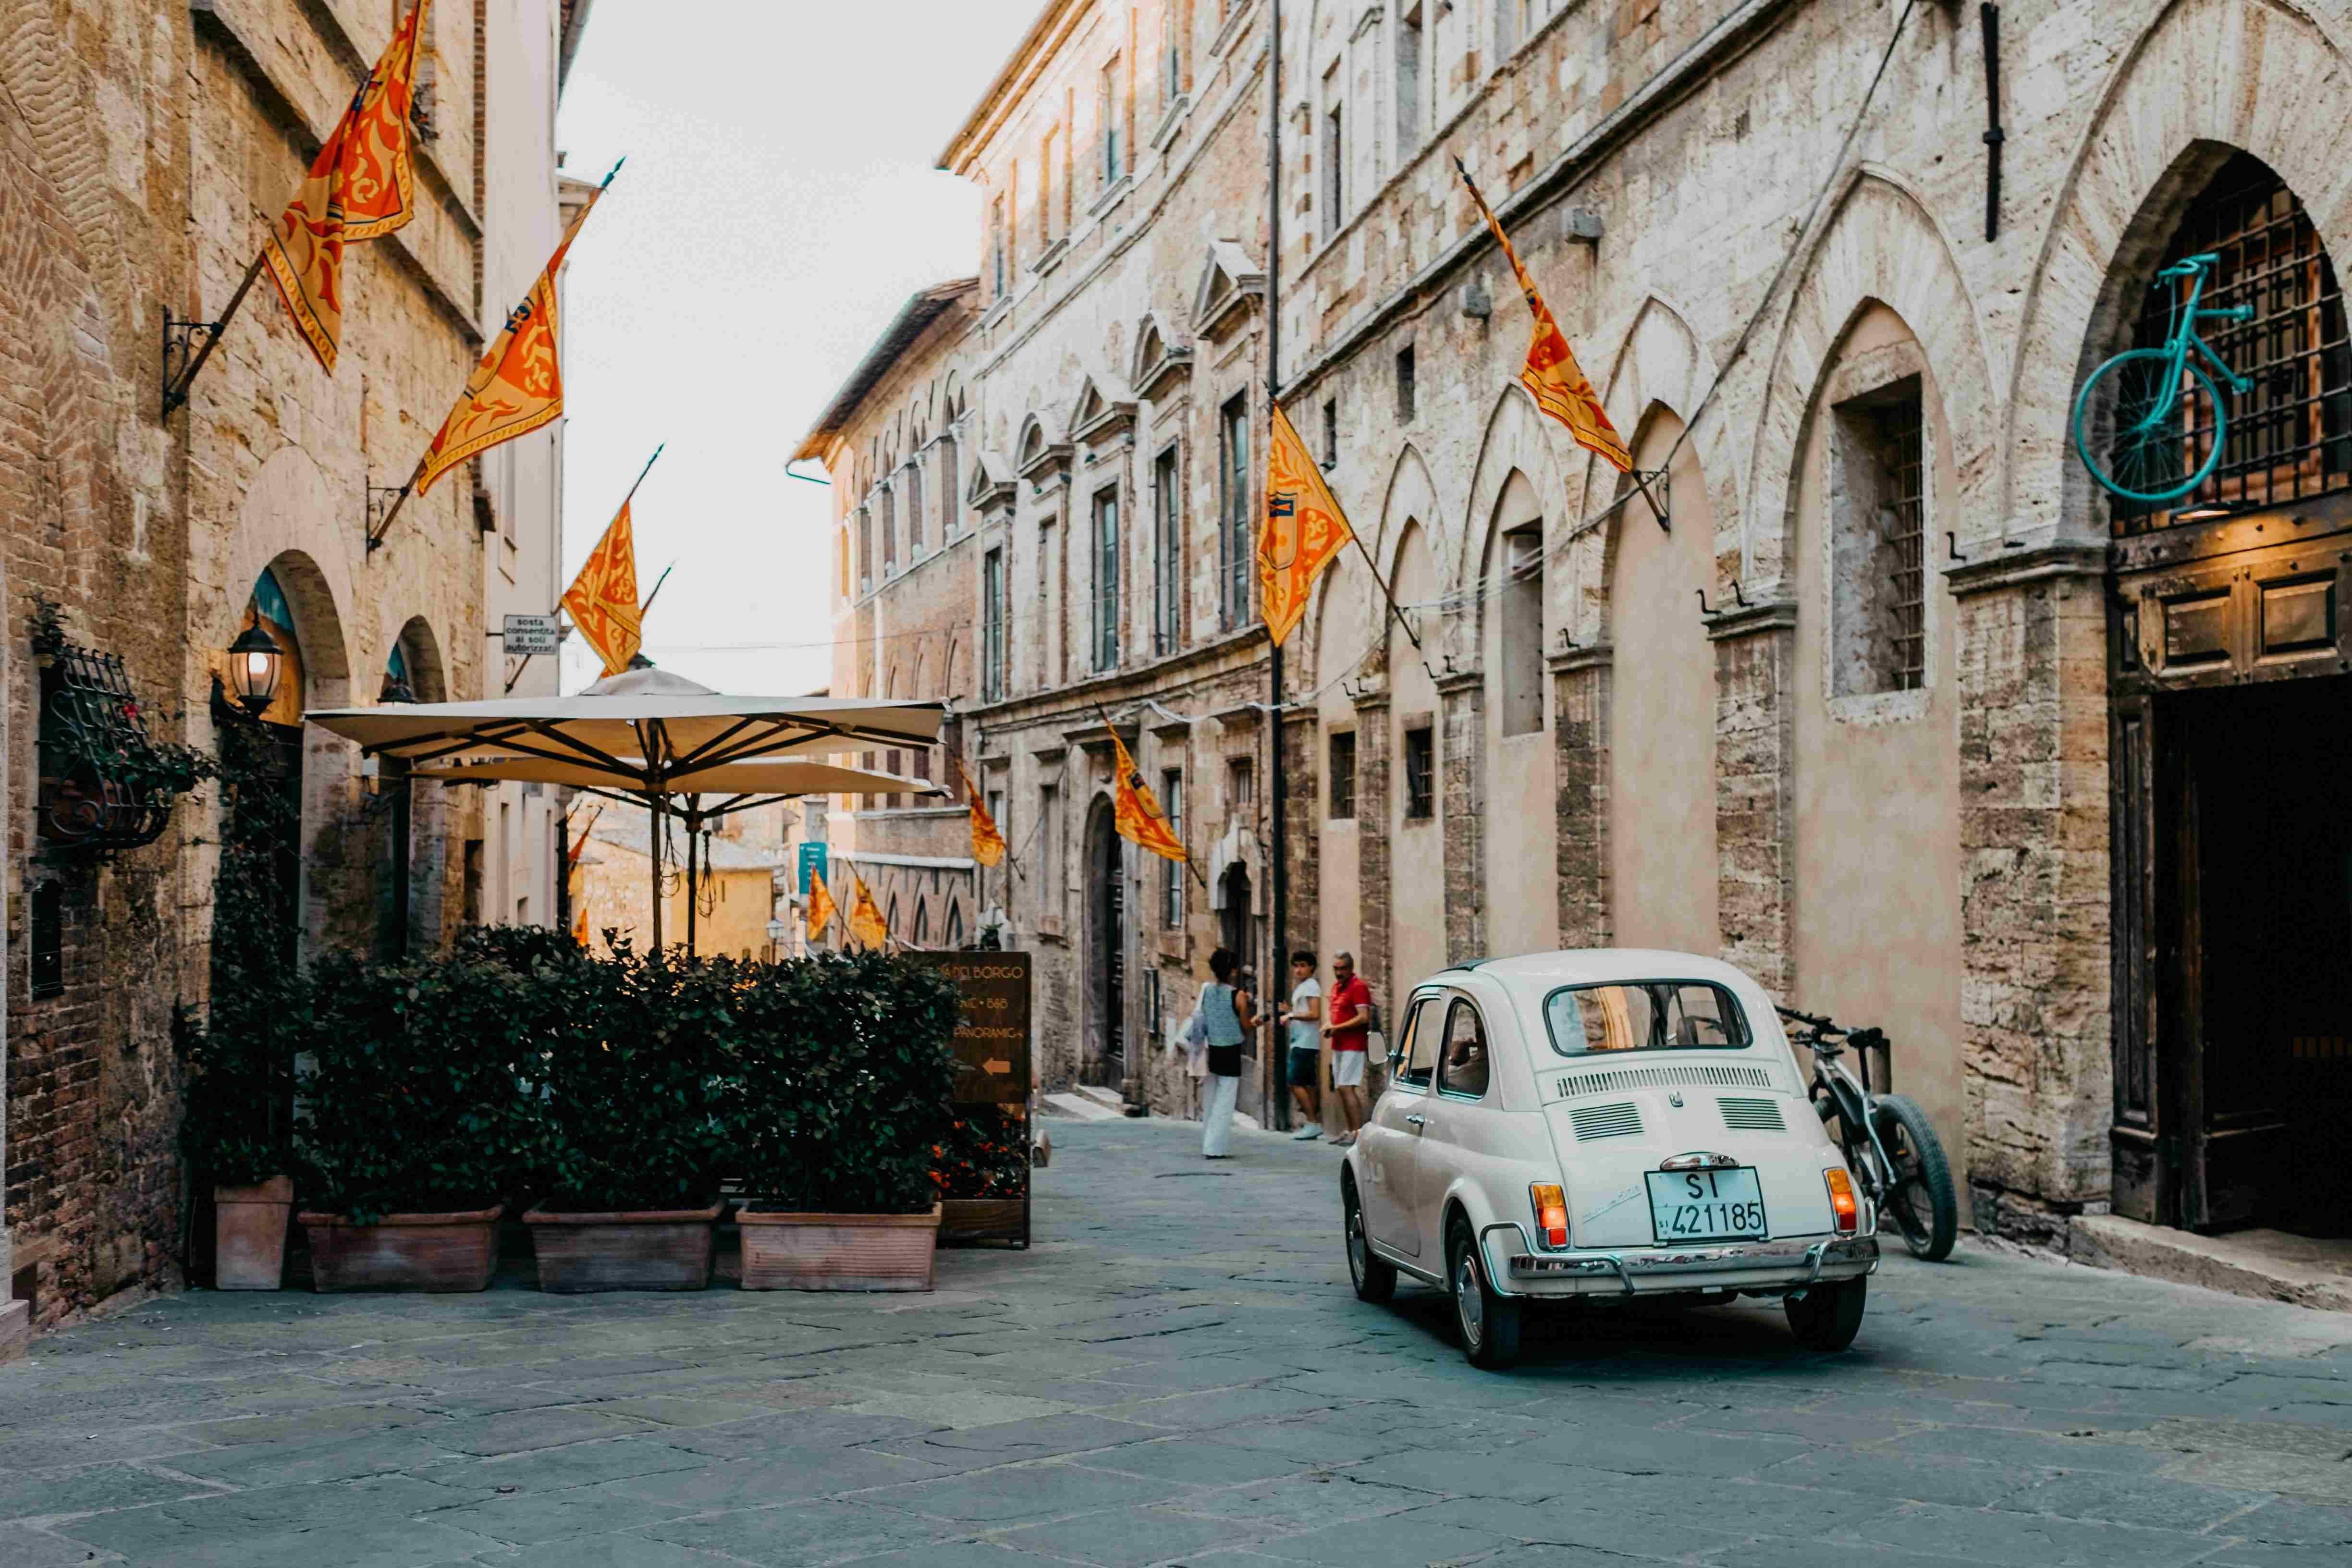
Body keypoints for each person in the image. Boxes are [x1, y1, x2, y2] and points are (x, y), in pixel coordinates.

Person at [1198, 947, 1257, 1158]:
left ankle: (1208, 1140)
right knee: (1225, 1100)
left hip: (1213, 1049)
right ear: (1232, 971)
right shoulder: (1238, 996)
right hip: (1231, 1051)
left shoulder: (1207, 991)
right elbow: (1246, 1027)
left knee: (1211, 1099)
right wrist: (1256, 1021)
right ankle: (1214, 1147)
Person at [1322, 950, 1372, 1146]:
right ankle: (1350, 1130)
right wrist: (1330, 1027)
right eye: (1336, 968)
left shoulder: (1358, 987)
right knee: (1341, 1088)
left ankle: (1358, 1133)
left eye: (1343, 969)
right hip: (1339, 1044)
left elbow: (1364, 1017)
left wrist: (1336, 1028)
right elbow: (1334, 1014)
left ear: (1351, 968)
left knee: (1346, 1087)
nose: (1339, 972)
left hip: (1354, 1045)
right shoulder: (1336, 987)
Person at [1275, 949, 1323, 1139]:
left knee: (1294, 1082)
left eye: (1303, 966)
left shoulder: (1311, 986)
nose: (1298, 970)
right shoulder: (1305, 987)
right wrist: (1290, 1010)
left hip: (1304, 1043)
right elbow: (1305, 1011)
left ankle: (1312, 1122)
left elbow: (1315, 1014)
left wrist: (1291, 1015)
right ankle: (1314, 1123)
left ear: (1311, 967)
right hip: (1303, 1042)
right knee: (1308, 1084)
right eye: (1296, 966)